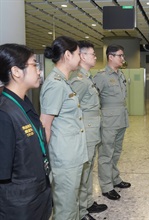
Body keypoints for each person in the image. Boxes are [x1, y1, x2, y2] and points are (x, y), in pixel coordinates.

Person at [0, 43, 52, 219]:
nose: (39, 71)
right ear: (16, 71)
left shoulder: (24, 103)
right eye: (34, 64)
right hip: (19, 205)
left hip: (37, 195)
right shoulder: (4, 113)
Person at [40, 36, 88, 220]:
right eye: (77, 54)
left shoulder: (64, 81)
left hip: (72, 154)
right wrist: (43, 159)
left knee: (71, 202)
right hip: (64, 157)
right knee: (65, 208)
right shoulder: (55, 84)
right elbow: (45, 124)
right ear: (67, 55)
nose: (80, 58)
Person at [69, 41, 107, 220]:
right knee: (84, 171)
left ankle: (88, 202)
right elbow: (70, 108)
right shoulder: (79, 80)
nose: (95, 57)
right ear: (82, 56)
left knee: (89, 168)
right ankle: (81, 211)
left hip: (92, 130)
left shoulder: (87, 77)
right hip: (86, 130)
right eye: (93, 54)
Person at [94, 44, 131, 201]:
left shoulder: (120, 74)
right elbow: (93, 99)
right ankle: (106, 186)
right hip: (109, 120)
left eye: (123, 55)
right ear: (111, 57)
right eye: (120, 55)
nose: (123, 58)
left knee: (116, 152)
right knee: (105, 154)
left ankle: (115, 179)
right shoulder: (101, 76)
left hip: (121, 118)